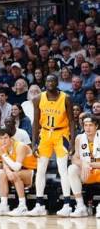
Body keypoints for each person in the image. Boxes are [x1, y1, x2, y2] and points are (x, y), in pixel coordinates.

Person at [29, 74, 75, 216]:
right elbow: (35, 122)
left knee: (62, 169)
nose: (50, 83)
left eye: (53, 80)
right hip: (45, 134)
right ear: (45, 83)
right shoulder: (38, 99)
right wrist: (33, 142)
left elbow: (72, 121)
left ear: (57, 82)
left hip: (61, 134)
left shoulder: (66, 98)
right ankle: (39, 204)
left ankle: (67, 204)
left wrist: (72, 142)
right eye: (48, 80)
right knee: (41, 169)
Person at [0, 128, 38, 216]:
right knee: (1, 173)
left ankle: (22, 206)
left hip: (33, 173)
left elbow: (17, 167)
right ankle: (4, 205)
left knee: (16, 174)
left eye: (5, 138)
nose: (3, 141)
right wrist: (8, 172)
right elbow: (5, 165)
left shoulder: (21, 146)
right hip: (18, 172)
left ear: (11, 138)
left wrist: (3, 155)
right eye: (1, 139)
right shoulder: (3, 148)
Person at [66, 116, 100, 218]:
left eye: (90, 125)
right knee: (72, 169)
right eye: (85, 125)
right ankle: (80, 206)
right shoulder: (79, 138)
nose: (88, 128)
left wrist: (89, 164)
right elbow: (74, 158)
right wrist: (83, 163)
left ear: (96, 126)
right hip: (87, 173)